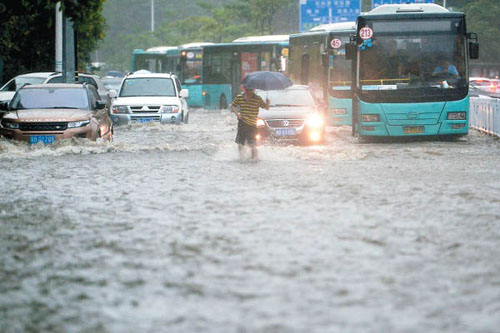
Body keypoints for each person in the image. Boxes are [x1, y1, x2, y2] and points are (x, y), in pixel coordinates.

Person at [231, 86, 270, 160]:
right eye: (247, 90)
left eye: (250, 90)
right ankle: (241, 157)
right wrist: (237, 114)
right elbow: (233, 105)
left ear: (253, 90)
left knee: (253, 144)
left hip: (252, 125)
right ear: (245, 89)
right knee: (240, 143)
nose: (249, 91)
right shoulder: (239, 97)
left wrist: (268, 103)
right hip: (242, 123)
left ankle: (254, 158)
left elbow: (266, 108)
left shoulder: (257, 99)